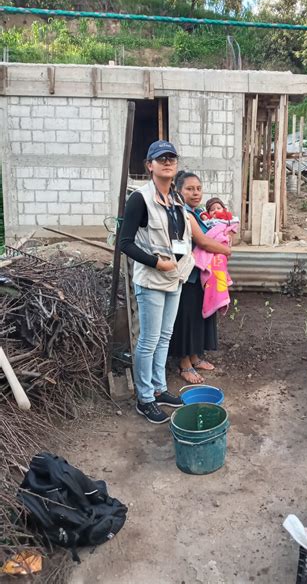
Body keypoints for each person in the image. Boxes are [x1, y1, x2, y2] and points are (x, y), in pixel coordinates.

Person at [119, 140, 196, 424]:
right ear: (149, 165)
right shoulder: (140, 199)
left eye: (171, 158)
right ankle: (145, 398)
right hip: (152, 279)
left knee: (164, 337)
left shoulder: (176, 198)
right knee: (148, 341)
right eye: (160, 158)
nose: (167, 162)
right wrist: (155, 262)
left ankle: (160, 388)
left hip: (175, 277)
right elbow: (124, 243)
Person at [169, 172, 232, 384]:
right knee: (186, 319)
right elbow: (203, 242)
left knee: (198, 317)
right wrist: (227, 250)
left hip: (201, 276)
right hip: (188, 276)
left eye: (198, 188)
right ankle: (184, 364)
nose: (196, 193)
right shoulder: (184, 213)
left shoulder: (197, 213)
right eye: (189, 189)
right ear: (179, 191)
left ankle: (195, 357)